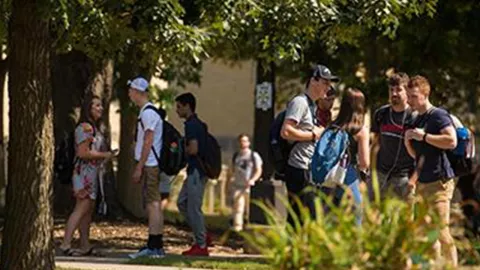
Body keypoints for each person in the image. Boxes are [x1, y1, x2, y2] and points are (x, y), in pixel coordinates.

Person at [404, 75, 458, 267]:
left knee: (442, 231)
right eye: (409, 96)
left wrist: (424, 136)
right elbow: (416, 156)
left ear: (425, 94)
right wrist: (408, 140)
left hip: (439, 182)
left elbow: (452, 141)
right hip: (423, 183)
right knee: (427, 234)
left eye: (414, 96)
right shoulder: (417, 118)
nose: (410, 100)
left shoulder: (438, 115)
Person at [280, 64, 338, 224]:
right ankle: (294, 249)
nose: (329, 87)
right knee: (302, 219)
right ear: (313, 81)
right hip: (299, 169)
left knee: (304, 219)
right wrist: (313, 135)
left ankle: (296, 249)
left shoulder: (312, 105)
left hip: (308, 168)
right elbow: (286, 131)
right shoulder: (300, 102)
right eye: (325, 83)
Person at [60, 95, 116, 256]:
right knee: (81, 208)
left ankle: (85, 244)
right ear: (88, 109)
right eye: (96, 106)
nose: (101, 108)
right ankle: (66, 243)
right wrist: (105, 155)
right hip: (84, 174)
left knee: (87, 210)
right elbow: (83, 153)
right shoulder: (85, 128)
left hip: (90, 174)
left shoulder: (93, 128)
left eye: (101, 105)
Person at [128, 77, 167, 259]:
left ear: (138, 92)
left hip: (150, 164)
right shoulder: (147, 112)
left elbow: (148, 141)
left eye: (131, 90)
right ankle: (155, 243)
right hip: (151, 164)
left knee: (153, 205)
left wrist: (139, 166)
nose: (129, 93)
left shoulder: (147, 114)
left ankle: (154, 246)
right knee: (154, 204)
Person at [324, 88, 370, 225]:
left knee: (330, 222)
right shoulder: (360, 131)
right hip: (350, 178)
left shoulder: (332, 126)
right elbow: (364, 162)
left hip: (330, 178)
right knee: (353, 223)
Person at [175, 92, 211, 256]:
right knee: (182, 203)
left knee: (193, 207)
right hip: (193, 171)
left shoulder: (192, 125)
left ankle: (201, 245)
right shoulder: (195, 124)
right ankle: (201, 232)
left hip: (197, 171)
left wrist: (181, 149)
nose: (177, 110)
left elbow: (194, 149)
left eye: (179, 106)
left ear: (187, 106)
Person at [371, 73, 416, 200]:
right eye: (391, 90)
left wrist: (414, 180)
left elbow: (421, 152)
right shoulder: (381, 113)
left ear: (407, 91)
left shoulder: (415, 116)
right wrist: (371, 171)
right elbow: (375, 143)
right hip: (380, 175)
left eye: (398, 90)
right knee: (375, 217)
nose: (394, 93)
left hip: (404, 178)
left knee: (404, 219)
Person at [230, 133, 263, 231]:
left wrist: (253, 179)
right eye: (241, 141)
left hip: (249, 187)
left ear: (248, 143)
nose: (242, 143)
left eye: (244, 141)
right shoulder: (236, 156)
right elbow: (232, 170)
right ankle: (237, 229)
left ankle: (249, 229)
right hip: (238, 185)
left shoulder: (253, 155)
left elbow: (259, 169)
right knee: (238, 208)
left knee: (249, 210)